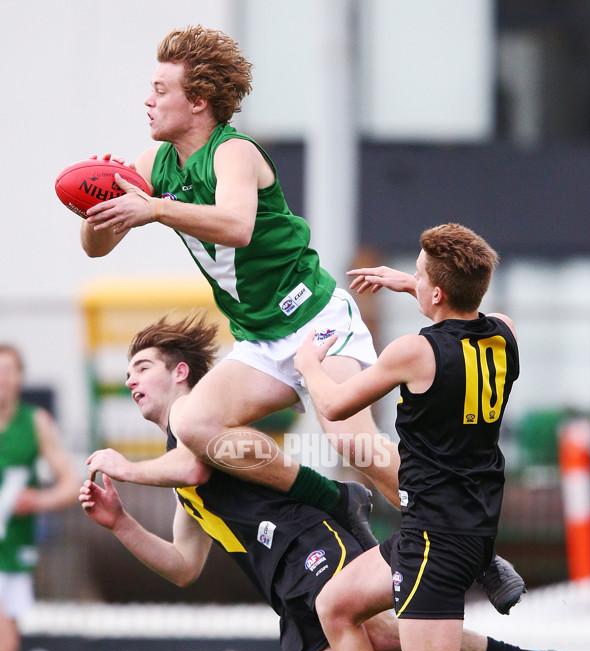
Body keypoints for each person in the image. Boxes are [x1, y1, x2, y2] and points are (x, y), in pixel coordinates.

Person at [80, 312, 581, 651]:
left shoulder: (203, 429)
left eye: (141, 367)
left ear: (181, 373)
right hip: (282, 588)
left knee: (384, 635)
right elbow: (183, 567)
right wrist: (121, 523)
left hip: (311, 542)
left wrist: (127, 466)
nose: (130, 380)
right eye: (127, 373)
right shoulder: (177, 459)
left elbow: (195, 467)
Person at [78, 25, 523, 614]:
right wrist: (96, 202)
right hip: (260, 340)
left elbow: (236, 223)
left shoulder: (234, 152)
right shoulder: (155, 164)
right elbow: (95, 248)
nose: (148, 100)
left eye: (160, 90)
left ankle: (477, 548)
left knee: (353, 441)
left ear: (198, 102)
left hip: (314, 318)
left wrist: (153, 208)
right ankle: (333, 499)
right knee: (194, 425)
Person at [294, 223, 581, 651]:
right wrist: (417, 287)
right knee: (337, 603)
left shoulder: (414, 352)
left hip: (433, 536)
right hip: (468, 521)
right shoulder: (504, 332)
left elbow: (336, 405)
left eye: (417, 273)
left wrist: (307, 362)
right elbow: (474, 310)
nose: (411, 278)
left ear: (435, 292)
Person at [0, 345, 80, 651]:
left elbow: (70, 485)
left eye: (7, 372)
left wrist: (37, 500)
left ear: (20, 378)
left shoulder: (34, 423)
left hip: (14, 551)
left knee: (7, 648)